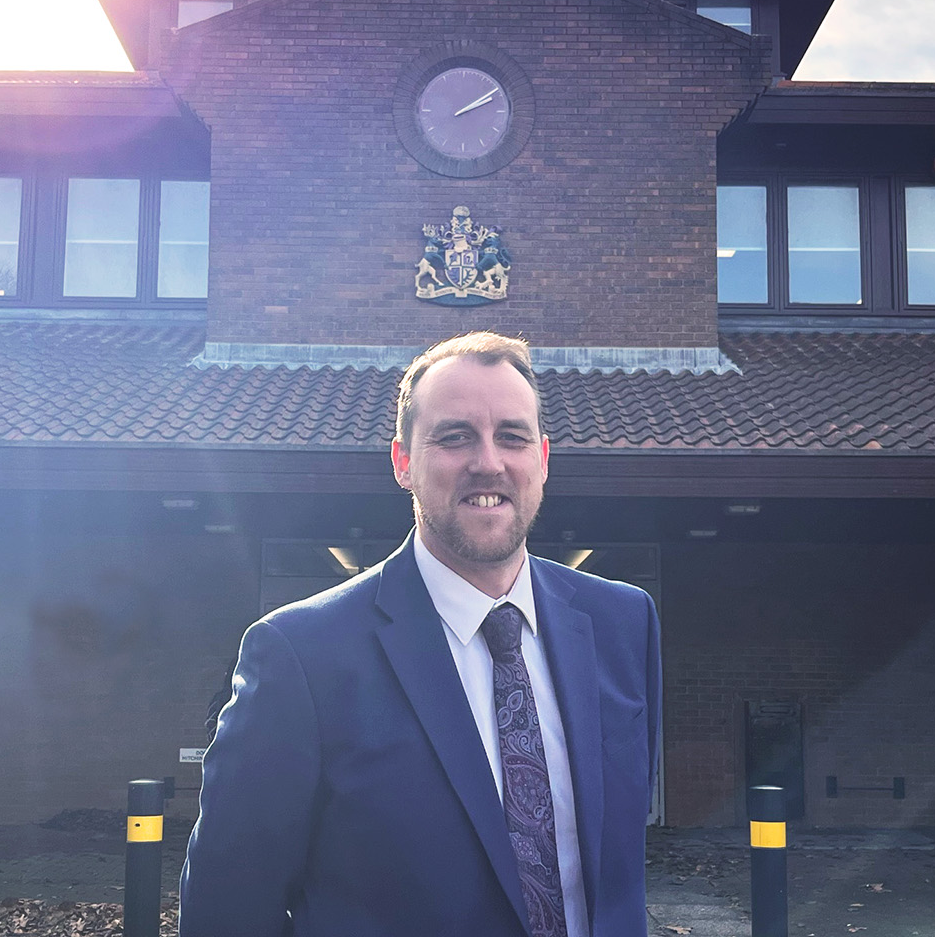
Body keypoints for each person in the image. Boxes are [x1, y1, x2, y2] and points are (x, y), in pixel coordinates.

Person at [180, 331, 662, 937]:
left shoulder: (623, 623)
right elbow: (228, 906)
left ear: (542, 459)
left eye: (512, 437)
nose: (489, 462)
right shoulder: (300, 656)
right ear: (403, 461)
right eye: (455, 436)